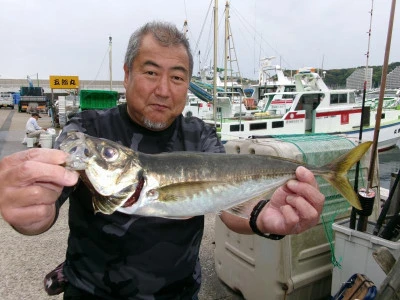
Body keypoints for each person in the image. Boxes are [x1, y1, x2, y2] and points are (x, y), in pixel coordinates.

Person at [0, 21, 324, 299]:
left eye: (178, 78)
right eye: (151, 72)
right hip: (91, 291)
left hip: (179, 293)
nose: (164, 90)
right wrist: (30, 211)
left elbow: (226, 208)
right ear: (127, 75)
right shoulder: (87, 131)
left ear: (188, 86)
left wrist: (263, 218)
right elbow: (47, 201)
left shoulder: (202, 137)